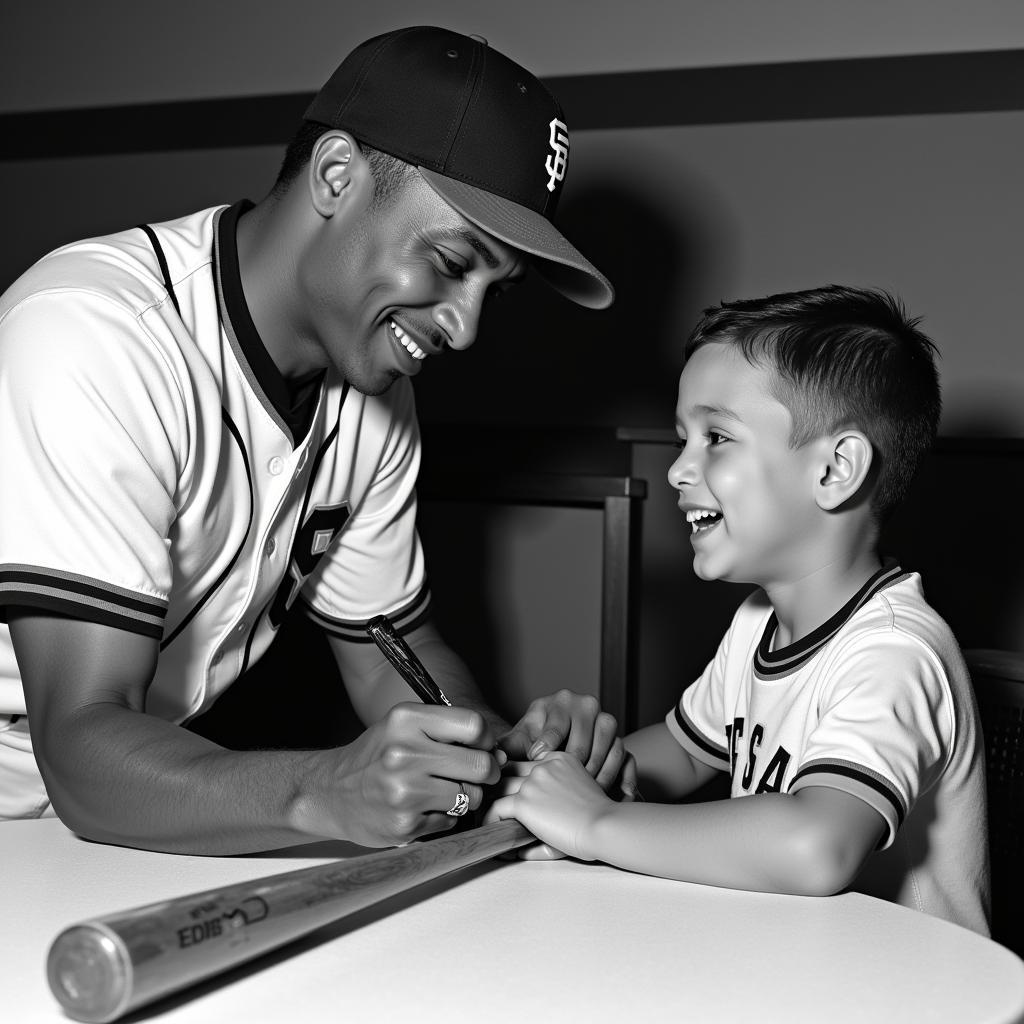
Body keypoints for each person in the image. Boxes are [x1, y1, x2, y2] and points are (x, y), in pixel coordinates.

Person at [0, 26, 628, 853]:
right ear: (337, 175)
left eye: (493, 292)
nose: (466, 326)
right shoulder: (95, 331)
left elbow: (391, 654)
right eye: (449, 260)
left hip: (120, 811)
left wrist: (505, 765)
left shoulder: (376, 392)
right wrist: (319, 789)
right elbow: (80, 746)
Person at [491, 285, 990, 934]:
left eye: (716, 437)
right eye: (682, 438)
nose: (677, 469)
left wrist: (595, 822)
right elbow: (685, 751)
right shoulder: (759, 621)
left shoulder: (895, 652)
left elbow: (817, 847)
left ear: (836, 470)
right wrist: (573, 764)